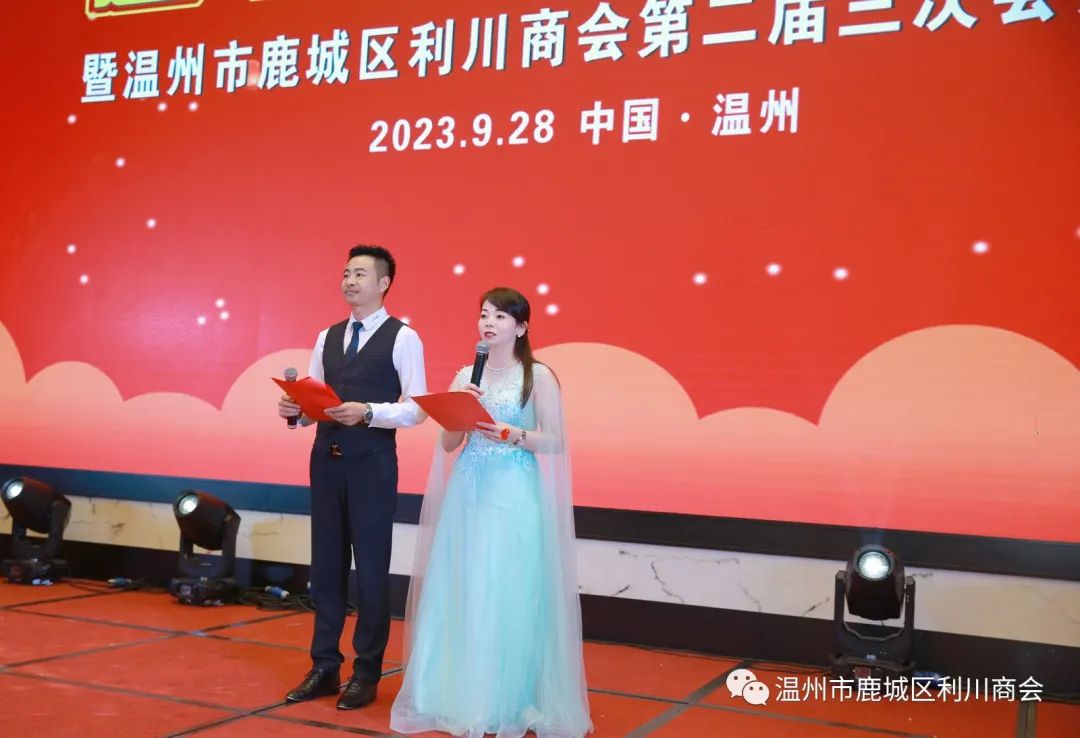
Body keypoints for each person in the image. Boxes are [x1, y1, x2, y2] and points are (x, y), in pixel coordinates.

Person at [391, 287, 592, 738]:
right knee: (462, 581)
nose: (489, 323)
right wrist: (457, 409)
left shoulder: (539, 376)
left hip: (513, 490)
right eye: (484, 314)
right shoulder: (467, 374)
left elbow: (555, 441)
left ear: (521, 327)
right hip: (468, 489)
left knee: (505, 585)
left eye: (500, 316)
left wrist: (511, 434)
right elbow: (448, 443)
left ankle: (505, 699)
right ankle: (454, 693)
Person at [277, 244, 427, 710]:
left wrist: (370, 413)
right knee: (326, 568)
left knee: (372, 571)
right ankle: (324, 666)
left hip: (372, 466)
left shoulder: (403, 338)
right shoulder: (327, 336)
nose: (349, 280)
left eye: (360, 274)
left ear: (384, 283)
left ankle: (366, 672)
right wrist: (296, 411)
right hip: (326, 461)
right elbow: (316, 402)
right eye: (346, 273)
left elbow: (417, 408)